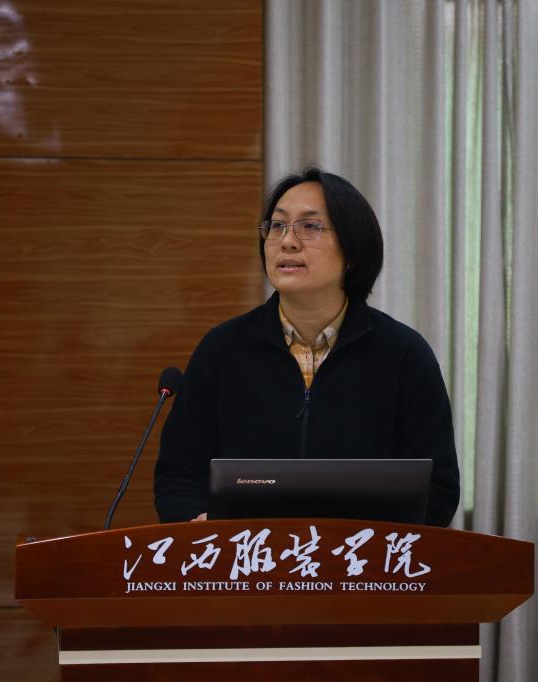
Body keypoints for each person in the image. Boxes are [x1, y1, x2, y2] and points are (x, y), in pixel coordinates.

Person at [153, 167, 460, 526]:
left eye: (310, 226)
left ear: (353, 250)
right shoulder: (222, 351)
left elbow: (437, 490)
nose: (287, 241)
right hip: (248, 556)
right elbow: (178, 478)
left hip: (361, 558)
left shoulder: (404, 355)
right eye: (277, 226)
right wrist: (198, 523)